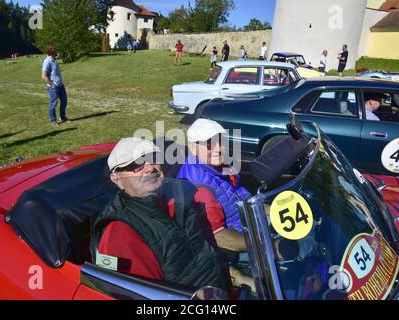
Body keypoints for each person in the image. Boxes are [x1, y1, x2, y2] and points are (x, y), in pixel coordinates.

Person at [91, 137, 244, 291]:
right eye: (136, 165)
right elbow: (145, 295)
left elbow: (204, 257)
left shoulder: (178, 197)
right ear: (116, 179)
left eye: (153, 158)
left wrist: (237, 277)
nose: (150, 168)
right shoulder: (120, 233)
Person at [177, 119, 252, 235]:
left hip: (248, 219)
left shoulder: (220, 163)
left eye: (221, 141)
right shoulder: (196, 186)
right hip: (238, 239)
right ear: (193, 148)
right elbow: (218, 236)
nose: (218, 149)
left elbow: (237, 190)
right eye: (209, 144)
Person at [42, 44, 68, 127]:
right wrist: (52, 83)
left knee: (64, 101)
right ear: (52, 52)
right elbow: (43, 76)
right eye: (56, 51)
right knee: (53, 104)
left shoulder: (54, 60)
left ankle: (62, 117)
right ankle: (53, 121)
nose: (57, 52)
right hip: (53, 87)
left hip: (60, 85)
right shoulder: (47, 61)